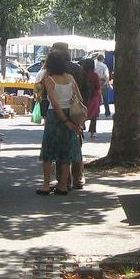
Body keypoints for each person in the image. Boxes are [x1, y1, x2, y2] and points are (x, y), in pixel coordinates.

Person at [37, 51, 84, 195]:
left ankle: (46, 185)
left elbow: (55, 103)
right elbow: (79, 98)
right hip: (70, 113)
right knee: (66, 152)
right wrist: (72, 120)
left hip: (54, 117)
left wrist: (63, 120)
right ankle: (63, 185)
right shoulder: (70, 77)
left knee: (48, 152)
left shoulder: (49, 80)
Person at [52, 42, 87, 188]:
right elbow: (86, 91)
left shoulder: (52, 70)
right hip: (76, 112)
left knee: (60, 145)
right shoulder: (77, 69)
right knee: (75, 144)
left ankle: (63, 180)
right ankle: (78, 177)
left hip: (58, 112)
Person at [82, 57, 102, 139]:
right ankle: (92, 132)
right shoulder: (95, 75)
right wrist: (101, 98)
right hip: (94, 97)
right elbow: (98, 87)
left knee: (82, 113)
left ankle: (81, 128)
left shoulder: (82, 74)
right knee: (94, 115)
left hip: (84, 96)